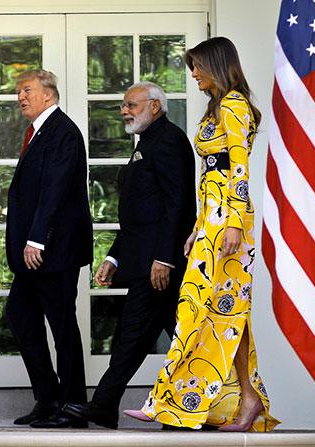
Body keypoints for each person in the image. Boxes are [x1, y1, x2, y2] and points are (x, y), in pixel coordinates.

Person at [122, 37, 280, 432]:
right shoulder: (217, 107)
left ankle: (169, 404)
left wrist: (233, 223)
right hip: (211, 224)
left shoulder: (235, 105)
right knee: (227, 313)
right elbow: (209, 177)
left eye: (197, 66)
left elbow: (238, 170)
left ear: (217, 64)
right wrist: (197, 228)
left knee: (199, 309)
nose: (193, 74)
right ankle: (247, 397)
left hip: (229, 225)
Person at [62, 81, 196, 429]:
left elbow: (177, 204)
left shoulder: (168, 140)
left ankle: (107, 405)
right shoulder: (146, 143)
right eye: (124, 105)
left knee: (134, 334)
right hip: (143, 259)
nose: (125, 111)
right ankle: (191, 409)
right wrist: (114, 258)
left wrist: (165, 258)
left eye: (131, 105)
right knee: (176, 336)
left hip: (159, 264)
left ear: (155, 106)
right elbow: (138, 214)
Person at [5, 69, 93, 429]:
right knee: (20, 315)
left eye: (27, 90)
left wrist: (36, 238)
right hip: (37, 252)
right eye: (18, 92)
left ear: (49, 94)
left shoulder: (63, 131)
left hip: (53, 250)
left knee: (61, 325)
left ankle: (73, 405)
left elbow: (54, 190)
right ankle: (48, 396)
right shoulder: (39, 131)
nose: (21, 97)